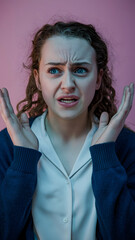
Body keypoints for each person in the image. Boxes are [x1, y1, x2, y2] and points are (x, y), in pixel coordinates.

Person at [0, 21, 135, 240]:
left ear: (99, 78)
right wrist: (22, 161)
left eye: (80, 70)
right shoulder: (7, 145)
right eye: (54, 70)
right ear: (38, 79)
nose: (68, 84)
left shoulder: (127, 146)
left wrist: (106, 156)